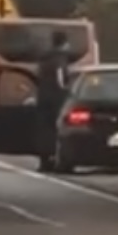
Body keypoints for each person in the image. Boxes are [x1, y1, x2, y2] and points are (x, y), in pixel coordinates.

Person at [35, 30, 71, 172]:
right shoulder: (60, 59)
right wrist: (66, 91)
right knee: (58, 129)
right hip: (56, 99)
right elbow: (61, 81)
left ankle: (44, 160)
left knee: (44, 130)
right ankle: (57, 159)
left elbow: (38, 77)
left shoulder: (44, 59)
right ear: (64, 43)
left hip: (43, 98)